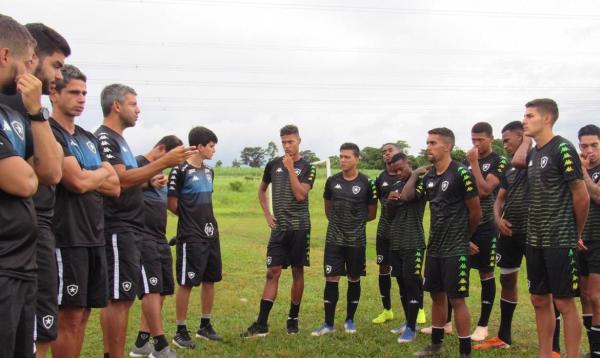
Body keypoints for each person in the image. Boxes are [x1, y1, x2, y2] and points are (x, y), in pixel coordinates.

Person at [95, 84, 194, 358]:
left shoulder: (121, 141)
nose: (138, 110)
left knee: (124, 299)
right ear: (116, 106)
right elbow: (120, 180)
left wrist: (148, 180)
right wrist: (162, 164)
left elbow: (129, 179)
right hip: (117, 227)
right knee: (118, 299)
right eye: (133, 104)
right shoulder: (105, 138)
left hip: (132, 229)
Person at [0, 22, 70, 357]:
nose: (58, 75)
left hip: (21, 261)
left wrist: (35, 114)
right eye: (29, 61)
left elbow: (52, 171)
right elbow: (27, 180)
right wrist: (28, 167)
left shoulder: (24, 109)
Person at [49, 64, 120, 358]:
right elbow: (76, 182)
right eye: (73, 92)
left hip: (94, 236)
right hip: (67, 237)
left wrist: (95, 175)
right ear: (53, 93)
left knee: (84, 314)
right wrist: (99, 172)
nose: (81, 98)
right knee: (69, 317)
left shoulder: (88, 138)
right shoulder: (50, 132)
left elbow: (115, 186)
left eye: (84, 93)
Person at [523, 98, 588, 358]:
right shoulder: (533, 152)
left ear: (547, 118)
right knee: (539, 300)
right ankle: (545, 354)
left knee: (563, 302)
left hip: (560, 238)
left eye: (529, 116)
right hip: (534, 238)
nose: (524, 120)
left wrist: (576, 232)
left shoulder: (563, 148)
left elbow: (580, 195)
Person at [241, 125, 316, 338]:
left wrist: (291, 168)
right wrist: (267, 213)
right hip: (279, 229)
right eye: (283, 142)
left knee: (297, 272)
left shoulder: (308, 167)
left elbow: (301, 195)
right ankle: (262, 324)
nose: (286, 145)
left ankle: (293, 318)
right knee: (272, 272)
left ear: (299, 141)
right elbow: (262, 190)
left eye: (290, 141)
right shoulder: (273, 165)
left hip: (300, 228)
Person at [412, 128, 480, 357]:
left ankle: (464, 351)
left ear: (447, 146)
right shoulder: (430, 176)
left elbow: (475, 211)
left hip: (455, 248)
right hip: (435, 247)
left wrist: (464, 238)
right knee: (436, 295)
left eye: (433, 143)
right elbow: (409, 197)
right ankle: (436, 344)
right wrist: (412, 175)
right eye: (427, 142)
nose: (428, 147)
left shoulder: (460, 173)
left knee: (457, 299)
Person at [474, 121, 530, 350]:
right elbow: (500, 198)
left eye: (508, 140)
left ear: (522, 137)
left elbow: (487, 190)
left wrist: (528, 140)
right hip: (508, 231)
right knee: (507, 279)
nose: (504, 144)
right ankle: (504, 337)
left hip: (535, 232)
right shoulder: (512, 169)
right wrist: (498, 219)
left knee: (541, 291)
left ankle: (554, 348)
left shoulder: (532, 161)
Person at [312, 142, 377, 336]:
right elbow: (328, 209)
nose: (343, 160)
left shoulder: (367, 183)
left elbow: (372, 213)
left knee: (354, 278)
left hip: (356, 241)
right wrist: (340, 224)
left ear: (357, 159)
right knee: (331, 278)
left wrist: (353, 223)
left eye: (347, 157)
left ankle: (350, 319)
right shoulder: (332, 181)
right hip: (334, 239)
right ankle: (328, 323)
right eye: (341, 156)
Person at [128, 135, 185, 357]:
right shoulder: (137, 164)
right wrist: (147, 182)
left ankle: (141, 343)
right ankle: (160, 345)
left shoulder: (163, 171)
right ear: (162, 149)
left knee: (161, 290)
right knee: (151, 289)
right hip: (142, 237)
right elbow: (122, 186)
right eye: (171, 158)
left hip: (160, 237)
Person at [169, 126, 222, 349]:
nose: (213, 150)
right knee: (187, 282)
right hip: (190, 236)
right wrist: (190, 220)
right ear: (199, 147)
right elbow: (171, 203)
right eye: (211, 146)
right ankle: (180, 331)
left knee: (210, 280)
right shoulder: (178, 171)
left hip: (211, 233)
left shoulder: (210, 172)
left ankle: (205, 326)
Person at [463, 122, 508, 341]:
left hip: (486, 227)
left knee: (485, 273)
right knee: (456, 271)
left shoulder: (498, 161)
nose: (476, 144)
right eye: (473, 139)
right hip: (465, 226)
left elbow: (484, 189)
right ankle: (447, 323)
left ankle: (483, 325)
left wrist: (474, 162)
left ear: (491, 139)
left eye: (480, 139)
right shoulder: (465, 162)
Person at [385, 153, 426, 343]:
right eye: (395, 171)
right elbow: (390, 215)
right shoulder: (396, 186)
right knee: (401, 283)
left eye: (401, 169)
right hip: (396, 241)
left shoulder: (420, 182)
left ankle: (412, 327)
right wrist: (390, 202)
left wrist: (415, 174)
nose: (399, 174)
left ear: (409, 163)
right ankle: (408, 321)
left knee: (411, 282)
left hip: (413, 241)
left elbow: (409, 196)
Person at [372, 143, 401, 324]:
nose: (386, 154)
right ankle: (387, 310)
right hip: (383, 232)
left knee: (405, 272)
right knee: (383, 269)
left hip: (404, 233)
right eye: (384, 152)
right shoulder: (380, 178)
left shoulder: (409, 177)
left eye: (390, 150)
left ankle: (419, 308)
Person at [577, 124, 600, 357]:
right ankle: (594, 345)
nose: (589, 151)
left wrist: (582, 172)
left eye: (594, 145)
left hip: (599, 240)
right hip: (580, 240)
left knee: (596, 295)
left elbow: (597, 196)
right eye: (584, 146)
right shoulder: (576, 170)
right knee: (583, 296)